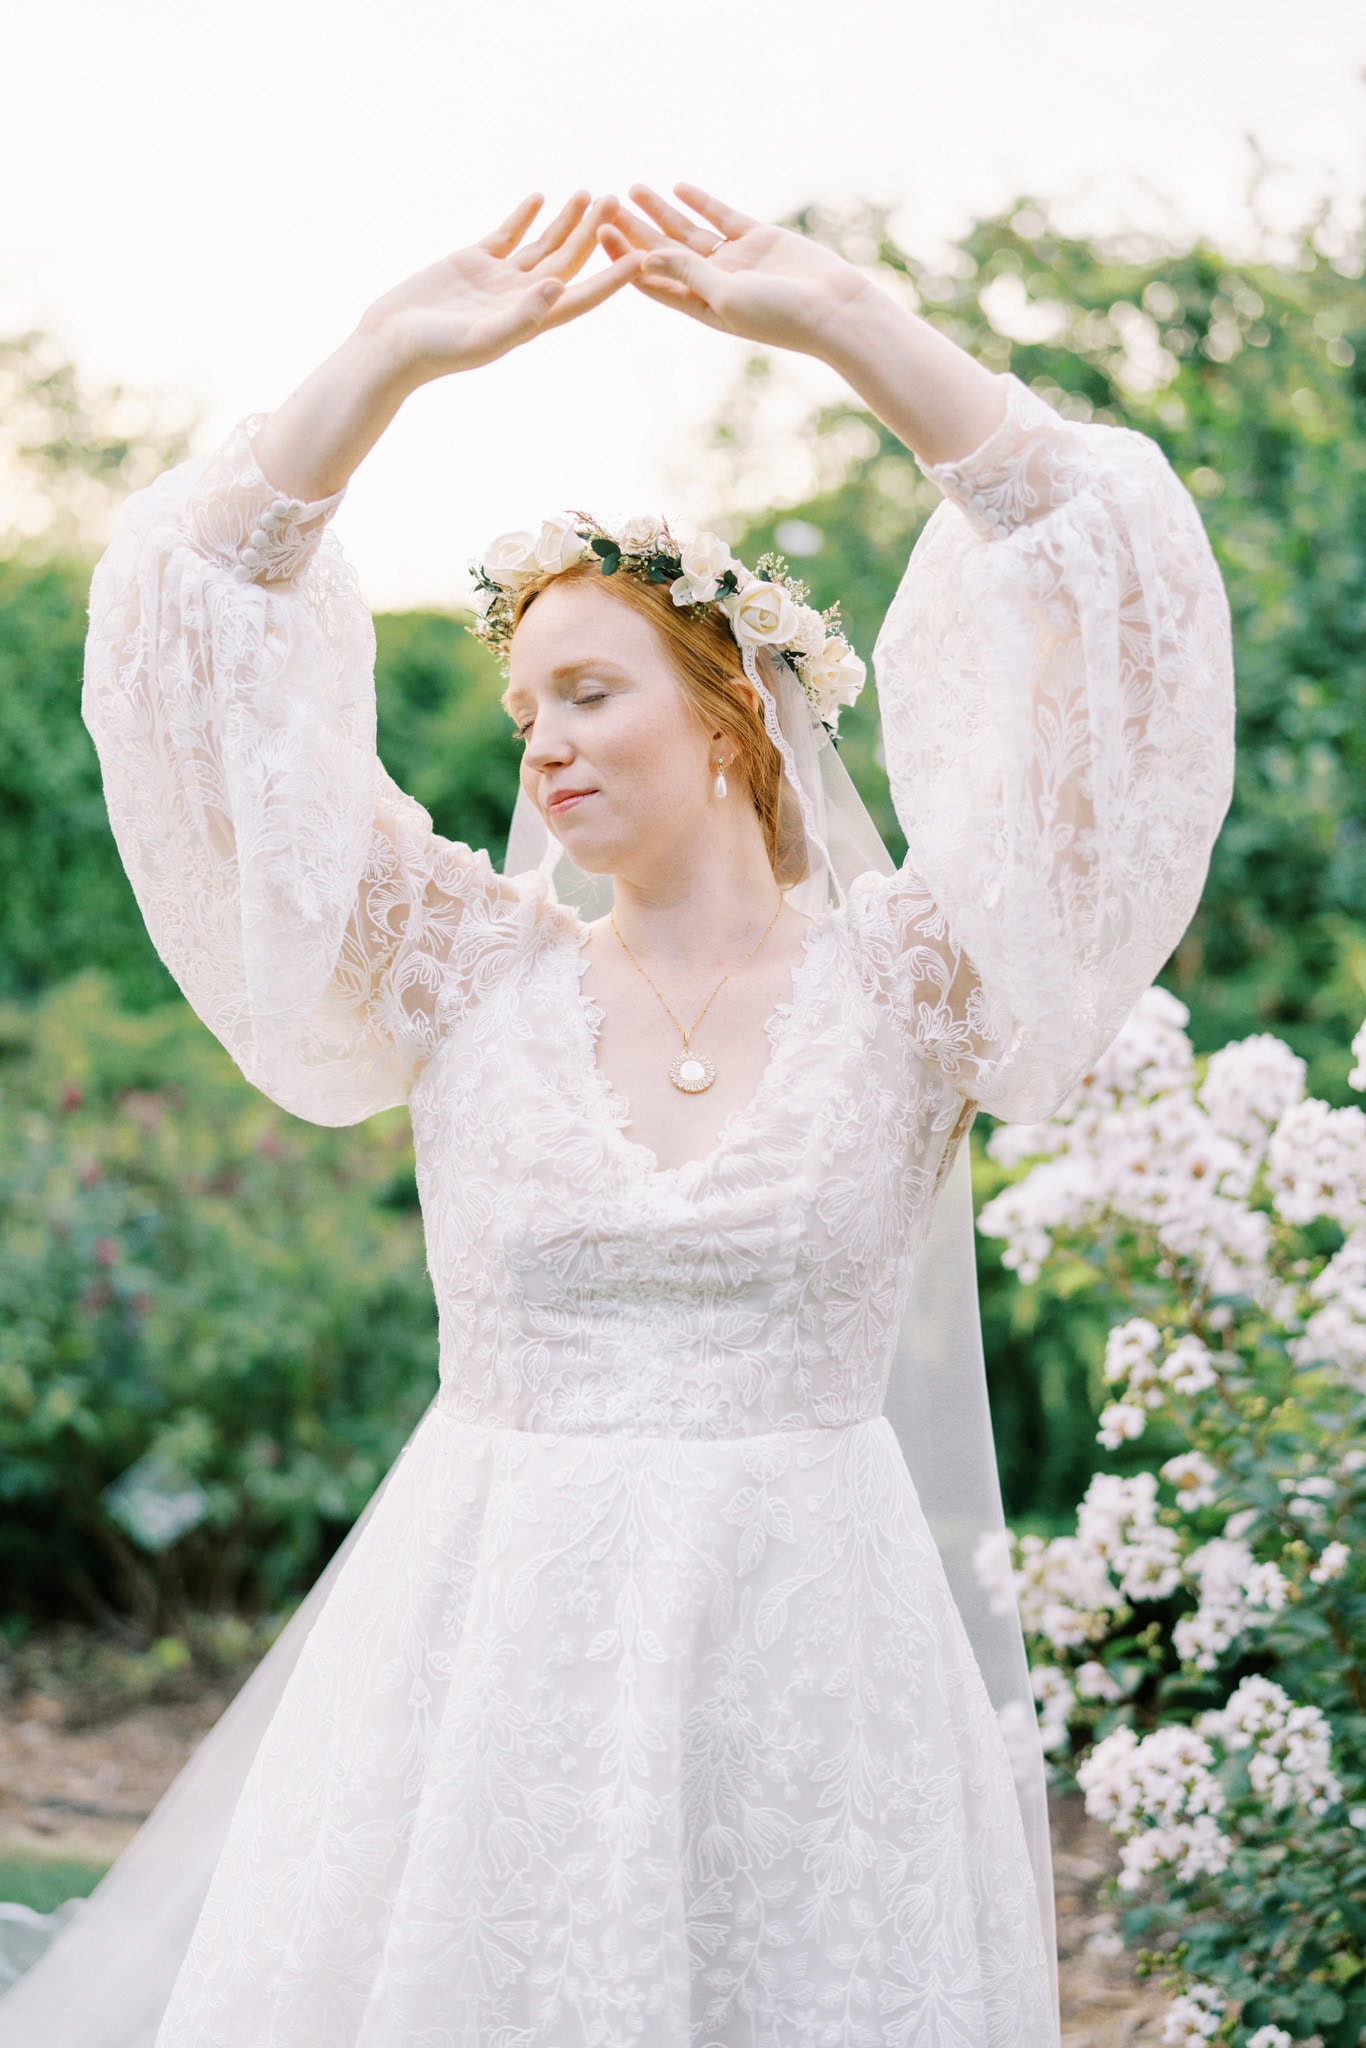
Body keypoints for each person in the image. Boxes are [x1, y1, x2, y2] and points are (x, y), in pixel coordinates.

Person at [0, 185, 1234, 2048]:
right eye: (523, 711)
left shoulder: (917, 980)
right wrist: (382, 361)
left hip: (812, 1684)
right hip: (483, 1677)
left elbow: (1115, 620)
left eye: (587, 690)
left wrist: (850, 322)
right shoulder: (453, 972)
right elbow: (193, 643)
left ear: (732, 716)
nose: (544, 742)